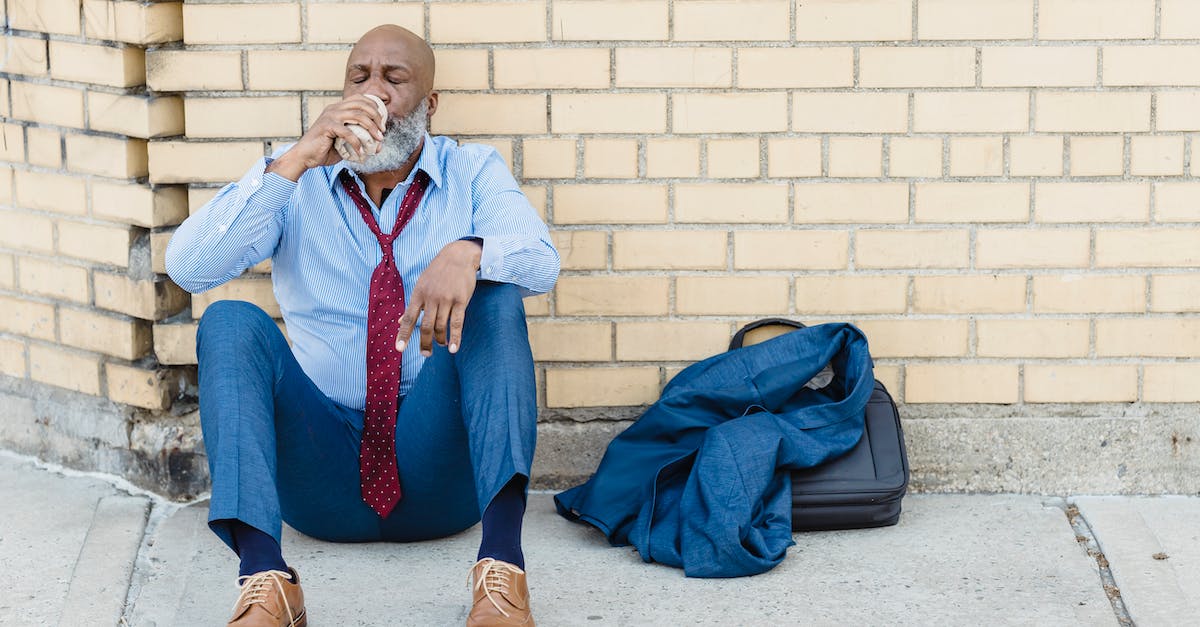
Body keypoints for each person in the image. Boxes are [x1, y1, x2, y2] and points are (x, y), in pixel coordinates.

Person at [166, 24, 558, 627]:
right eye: (360, 77)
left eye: (394, 80)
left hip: (438, 471)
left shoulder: (472, 171)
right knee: (229, 321)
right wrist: (295, 157)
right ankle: (266, 583)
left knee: (496, 300)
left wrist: (472, 251)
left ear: (428, 105)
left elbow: (541, 259)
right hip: (322, 470)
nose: (374, 93)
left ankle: (502, 577)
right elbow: (190, 267)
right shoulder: (298, 181)